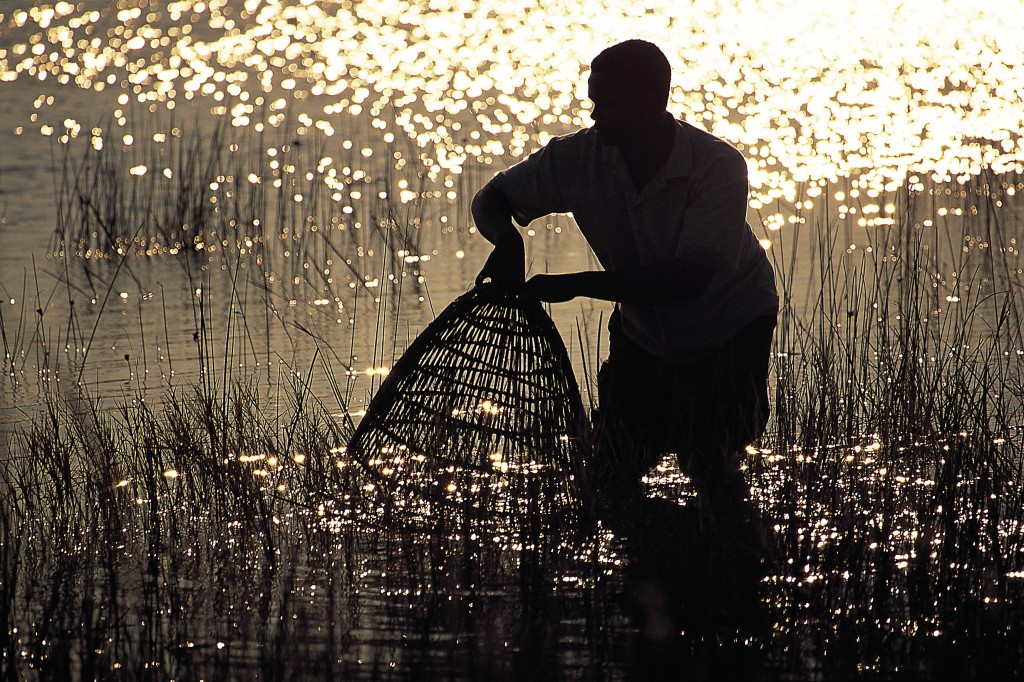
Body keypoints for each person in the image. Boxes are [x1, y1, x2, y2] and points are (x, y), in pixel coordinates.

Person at [471, 39, 779, 520]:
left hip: (730, 324)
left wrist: (575, 283)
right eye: (593, 102)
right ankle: (640, 572)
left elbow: (687, 280)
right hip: (644, 332)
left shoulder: (717, 166)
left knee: (711, 461)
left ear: (652, 102)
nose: (595, 117)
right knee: (610, 471)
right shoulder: (579, 157)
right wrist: (508, 245)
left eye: (607, 104)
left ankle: (726, 569)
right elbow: (491, 198)